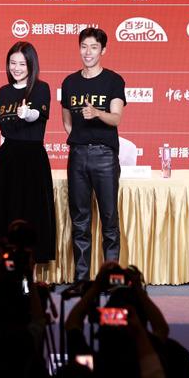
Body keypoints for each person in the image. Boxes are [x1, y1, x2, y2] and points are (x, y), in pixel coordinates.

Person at [61, 27, 126, 281]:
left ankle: (112, 279)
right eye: (84, 47)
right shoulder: (70, 82)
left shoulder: (113, 81)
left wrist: (97, 113)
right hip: (78, 156)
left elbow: (116, 118)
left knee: (109, 220)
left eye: (94, 47)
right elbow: (67, 122)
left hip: (105, 157)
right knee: (80, 220)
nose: (88, 52)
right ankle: (82, 280)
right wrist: (81, 139)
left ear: (103, 50)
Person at [0, 41, 55, 263]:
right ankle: (3, 265)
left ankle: (29, 270)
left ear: (31, 65)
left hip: (33, 159)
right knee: (5, 211)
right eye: (12, 63)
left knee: (31, 213)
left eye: (22, 64)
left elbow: (38, 115)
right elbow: (2, 128)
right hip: (8, 158)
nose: (16, 68)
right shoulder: (4, 91)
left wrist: (27, 113)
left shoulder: (41, 88)